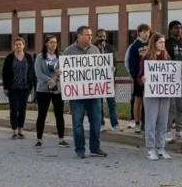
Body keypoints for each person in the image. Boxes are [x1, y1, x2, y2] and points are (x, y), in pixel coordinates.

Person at [64, 25, 107, 159]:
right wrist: (59, 71)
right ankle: (80, 149)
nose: (90, 37)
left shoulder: (95, 50)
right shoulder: (69, 51)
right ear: (79, 36)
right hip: (77, 94)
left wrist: (107, 70)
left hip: (94, 93)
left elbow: (100, 68)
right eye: (87, 35)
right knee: (77, 123)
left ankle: (95, 148)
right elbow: (61, 68)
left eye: (90, 35)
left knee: (95, 122)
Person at [139, 33, 173, 160]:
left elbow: (171, 73)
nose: (163, 44)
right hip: (151, 93)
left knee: (163, 122)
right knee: (151, 121)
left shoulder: (166, 57)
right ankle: (150, 148)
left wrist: (176, 78)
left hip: (164, 93)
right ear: (154, 44)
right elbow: (140, 76)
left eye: (164, 42)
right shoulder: (146, 58)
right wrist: (142, 79)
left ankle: (161, 147)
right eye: (160, 42)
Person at [34, 35, 68, 148]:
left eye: (55, 42)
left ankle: (61, 139)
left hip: (57, 89)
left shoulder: (60, 57)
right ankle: (39, 139)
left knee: (59, 115)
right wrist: (50, 80)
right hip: (43, 89)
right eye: (51, 42)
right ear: (46, 44)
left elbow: (64, 72)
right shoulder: (40, 57)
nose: (54, 44)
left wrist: (56, 79)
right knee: (42, 114)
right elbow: (38, 72)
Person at [2, 37, 36, 140]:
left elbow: (32, 73)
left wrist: (32, 86)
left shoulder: (28, 57)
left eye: (20, 44)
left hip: (25, 88)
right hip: (13, 89)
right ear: (14, 46)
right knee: (14, 109)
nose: (18, 46)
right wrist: (6, 87)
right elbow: (5, 73)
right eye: (16, 44)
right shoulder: (9, 58)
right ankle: (14, 131)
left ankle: (21, 130)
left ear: (23, 46)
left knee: (22, 109)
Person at [165, 20, 182, 141]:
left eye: (180, 28)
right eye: (176, 28)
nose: (179, 30)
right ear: (170, 30)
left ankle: (179, 130)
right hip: (170, 79)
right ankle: (167, 131)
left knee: (181, 106)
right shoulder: (166, 43)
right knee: (170, 107)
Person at [125, 24, 150, 133]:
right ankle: (137, 123)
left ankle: (147, 123)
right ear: (139, 33)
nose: (146, 34)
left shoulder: (151, 45)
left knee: (148, 102)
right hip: (138, 78)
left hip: (150, 78)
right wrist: (136, 77)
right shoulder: (134, 46)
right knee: (138, 101)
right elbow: (131, 64)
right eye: (144, 32)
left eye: (148, 32)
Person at [95, 29, 119, 132]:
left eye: (103, 36)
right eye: (100, 36)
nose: (102, 38)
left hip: (109, 81)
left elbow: (114, 63)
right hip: (97, 81)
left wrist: (114, 69)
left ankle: (115, 124)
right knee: (98, 104)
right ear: (96, 37)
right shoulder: (92, 48)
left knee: (112, 103)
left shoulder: (111, 48)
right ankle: (101, 124)